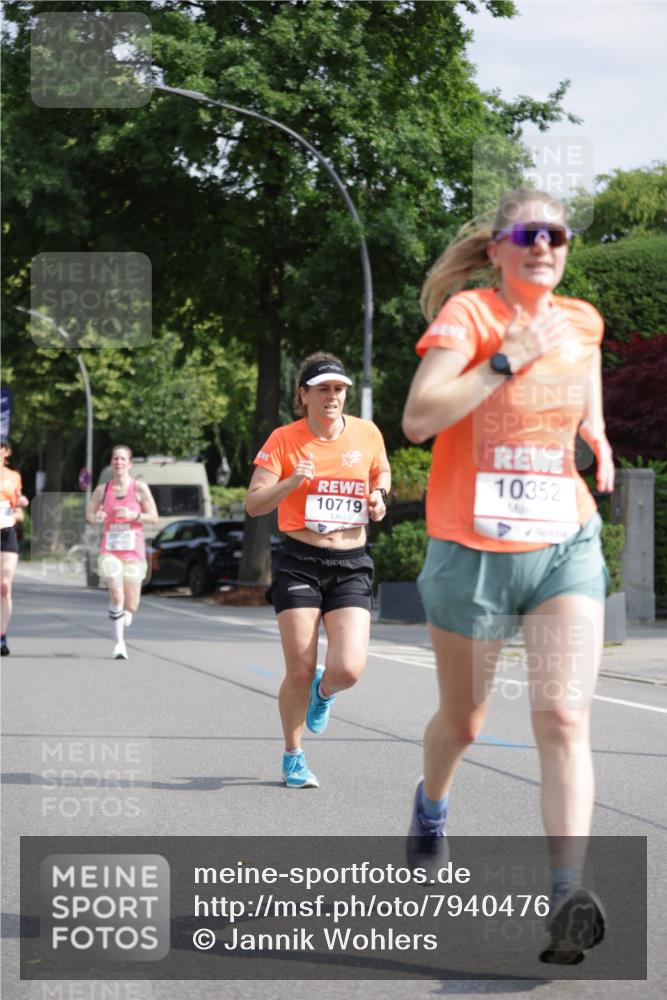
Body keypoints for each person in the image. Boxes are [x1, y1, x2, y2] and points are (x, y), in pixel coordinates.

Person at [402, 188, 614, 964]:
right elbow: (420, 418)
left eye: (555, 235)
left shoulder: (582, 320)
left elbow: (581, 379)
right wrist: (507, 357)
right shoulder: (467, 318)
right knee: (463, 723)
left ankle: (567, 892)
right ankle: (430, 808)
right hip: (471, 552)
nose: (543, 245)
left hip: (564, 546)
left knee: (561, 718)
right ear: (496, 247)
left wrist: (593, 428)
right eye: (527, 233)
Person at [246, 353, 391, 789]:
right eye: (323, 388)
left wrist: (380, 497)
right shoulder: (284, 440)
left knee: (347, 669)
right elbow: (254, 503)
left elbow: (380, 472)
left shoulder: (366, 433)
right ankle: (294, 755)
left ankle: (324, 693)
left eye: (339, 389)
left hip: (350, 563)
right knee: (299, 668)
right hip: (300, 562)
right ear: (303, 394)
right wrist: (291, 482)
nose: (333, 396)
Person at [86, 445, 158, 659]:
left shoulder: (139, 488)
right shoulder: (102, 490)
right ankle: (119, 644)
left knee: (131, 604)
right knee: (116, 593)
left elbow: (153, 516)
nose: (118, 462)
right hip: (110, 549)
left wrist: (132, 514)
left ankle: (124, 611)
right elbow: (90, 514)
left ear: (130, 463)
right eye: (115, 458)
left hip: (134, 551)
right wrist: (96, 517)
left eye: (123, 459)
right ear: (111, 463)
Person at [0, 439, 30, 656]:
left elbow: (19, 511)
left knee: (4, 586)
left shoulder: (14, 477)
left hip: (8, 535)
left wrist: (19, 508)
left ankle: (2, 636)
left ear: (6, 452)